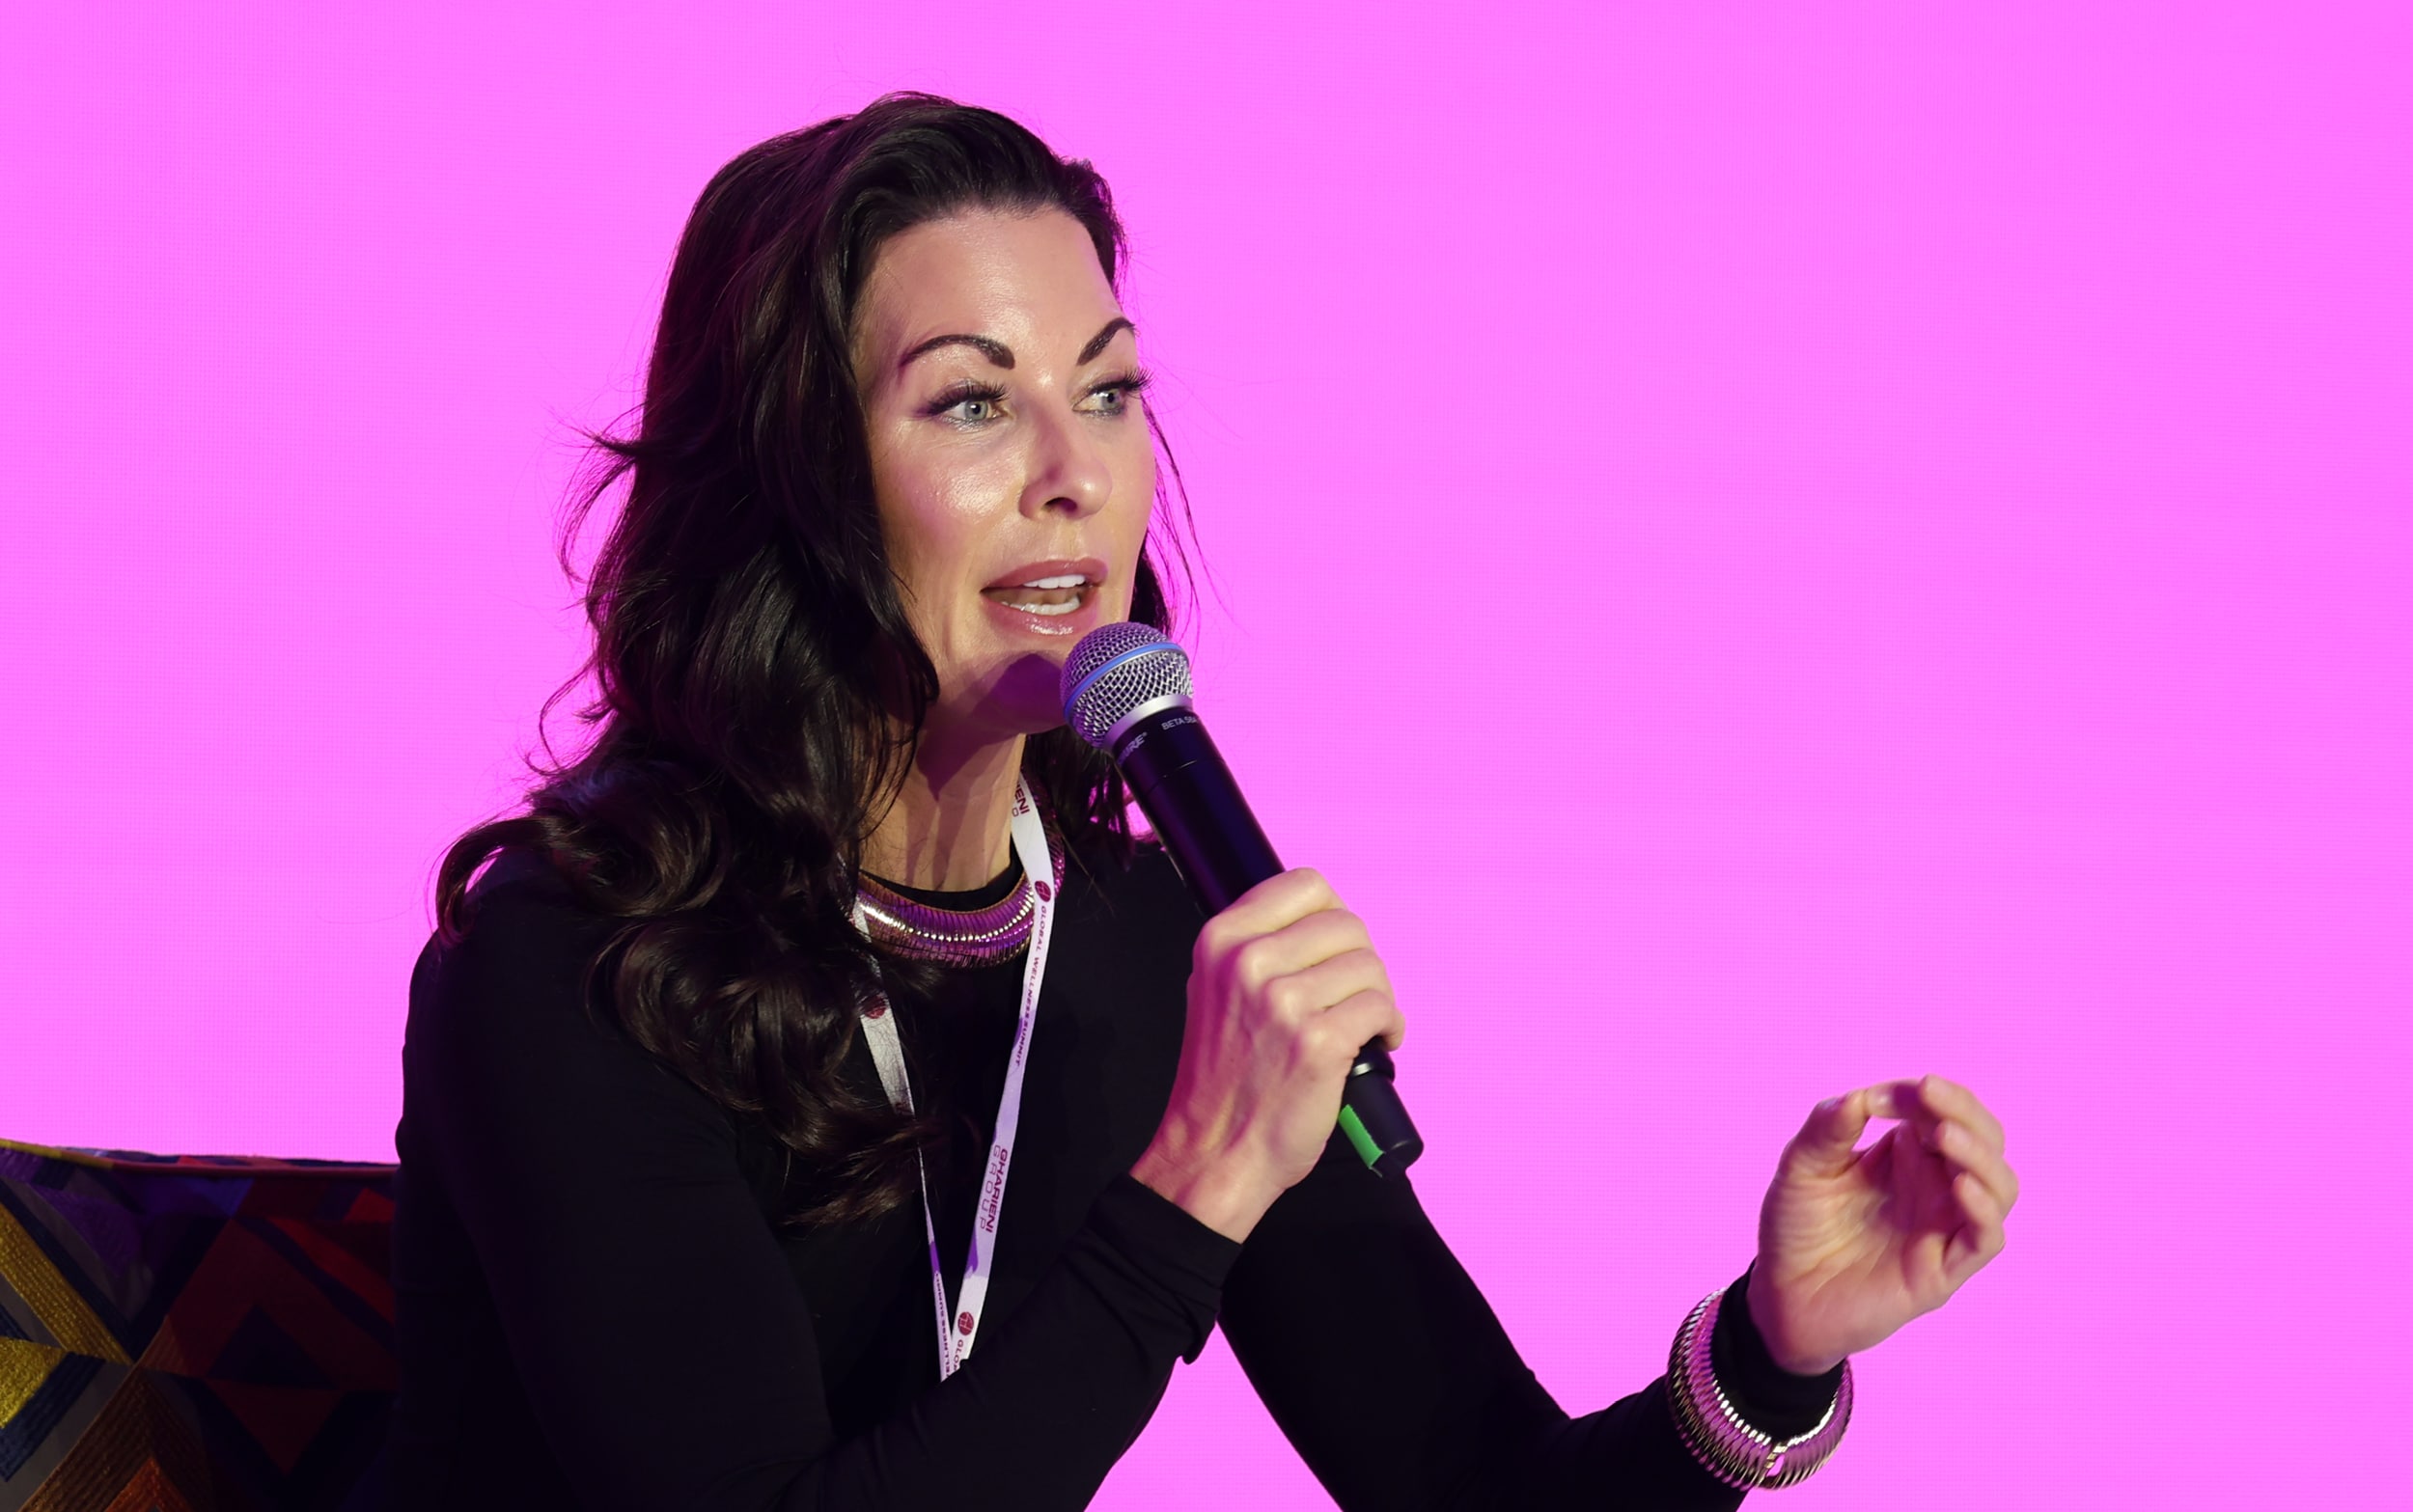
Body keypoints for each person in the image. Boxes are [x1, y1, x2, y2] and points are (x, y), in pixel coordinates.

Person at [387, 94, 2017, 1510]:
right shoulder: (581, 965)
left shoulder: (1144, 943)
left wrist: (1772, 1353)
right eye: (972, 402)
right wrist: (1197, 1186)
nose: (1077, 474)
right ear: (793, 478)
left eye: (1106, 391)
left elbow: (1476, 1489)